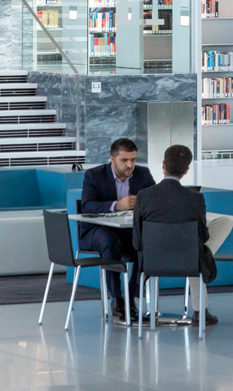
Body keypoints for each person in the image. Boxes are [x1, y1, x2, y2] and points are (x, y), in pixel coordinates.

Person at [133, 143, 233, 327]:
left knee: (197, 251)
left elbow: (137, 237)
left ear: (163, 164)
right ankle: (200, 307)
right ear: (187, 171)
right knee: (203, 246)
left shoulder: (144, 195)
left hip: (151, 260)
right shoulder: (195, 198)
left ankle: (201, 257)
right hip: (188, 260)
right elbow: (202, 235)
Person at [79, 137, 155, 324]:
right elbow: (87, 206)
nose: (130, 165)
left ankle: (130, 295)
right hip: (98, 231)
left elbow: (155, 200)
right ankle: (116, 299)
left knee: (149, 242)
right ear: (112, 159)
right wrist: (116, 205)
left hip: (129, 232)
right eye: (124, 160)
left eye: (133, 160)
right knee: (109, 240)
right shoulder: (94, 175)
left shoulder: (143, 175)